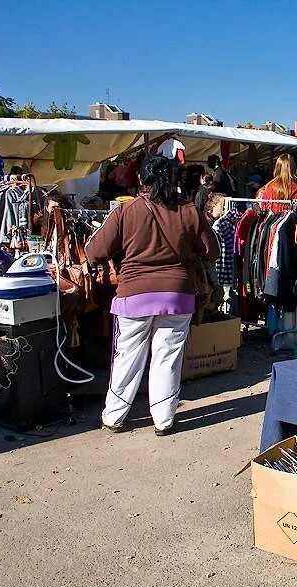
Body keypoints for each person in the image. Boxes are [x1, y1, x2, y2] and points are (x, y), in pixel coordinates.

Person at [86, 156, 219, 436]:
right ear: (174, 179)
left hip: (133, 294)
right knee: (167, 357)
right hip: (177, 295)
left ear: (141, 180)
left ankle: (114, 416)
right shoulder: (188, 211)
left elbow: (95, 251)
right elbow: (212, 251)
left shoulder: (125, 211)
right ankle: (164, 419)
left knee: (127, 357)